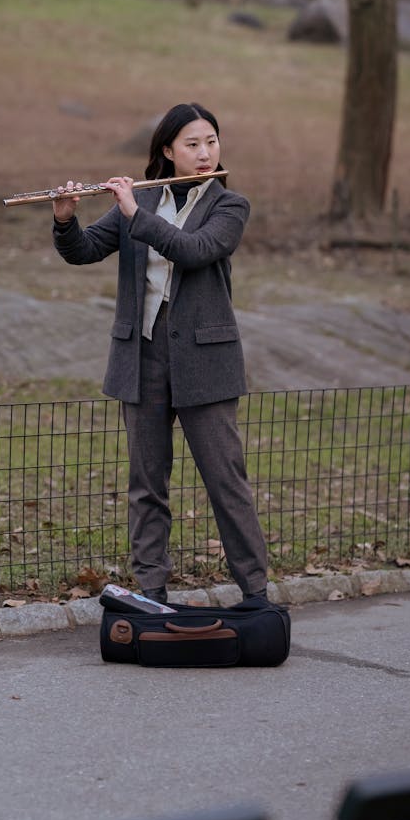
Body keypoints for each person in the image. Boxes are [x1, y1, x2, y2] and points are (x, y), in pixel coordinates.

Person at [52, 101, 269, 607]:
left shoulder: (229, 206)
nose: (204, 152)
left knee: (225, 480)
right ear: (167, 150)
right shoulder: (142, 200)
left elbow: (193, 251)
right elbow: (84, 250)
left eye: (211, 142)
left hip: (205, 362)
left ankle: (256, 592)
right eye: (192, 144)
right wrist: (66, 220)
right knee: (146, 482)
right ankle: (152, 590)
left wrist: (132, 214)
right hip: (143, 357)